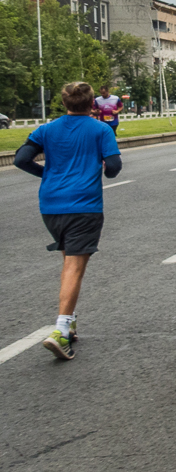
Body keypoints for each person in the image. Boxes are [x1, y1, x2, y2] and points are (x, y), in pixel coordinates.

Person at [14, 82, 122, 361]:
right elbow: (113, 169)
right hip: (84, 205)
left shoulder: (46, 129)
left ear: (64, 103)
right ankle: (60, 330)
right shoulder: (101, 129)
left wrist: (47, 175)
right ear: (92, 105)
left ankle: (70, 321)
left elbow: (21, 159)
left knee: (69, 261)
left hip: (50, 205)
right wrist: (98, 167)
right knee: (75, 265)